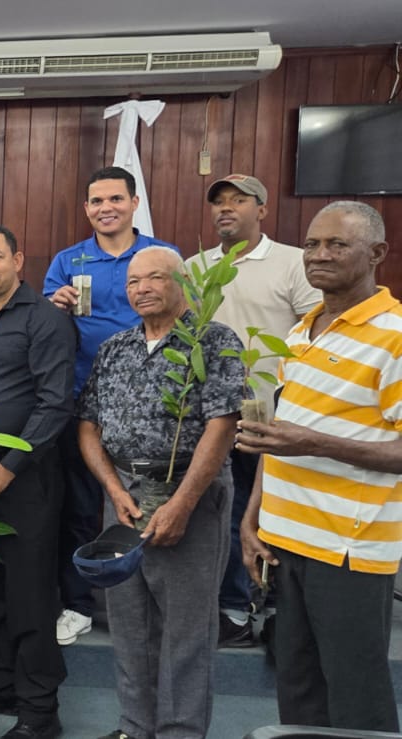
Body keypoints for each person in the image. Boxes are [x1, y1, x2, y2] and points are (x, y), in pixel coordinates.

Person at [240, 201, 401, 731]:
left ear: (377, 253)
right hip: (286, 539)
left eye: (337, 245)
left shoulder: (395, 336)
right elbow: (281, 436)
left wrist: (314, 441)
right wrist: (254, 516)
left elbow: (302, 437)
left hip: (348, 548)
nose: (319, 255)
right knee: (298, 687)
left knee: (355, 694)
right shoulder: (299, 333)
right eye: (311, 244)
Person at [77, 247, 244, 739]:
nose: (142, 288)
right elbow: (88, 425)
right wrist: (112, 487)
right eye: (133, 281)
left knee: (186, 630)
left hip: (190, 494)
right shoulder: (115, 348)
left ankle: (179, 732)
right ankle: (135, 726)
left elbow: (222, 424)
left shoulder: (213, 341)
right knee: (128, 623)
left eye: (154, 278)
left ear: (184, 284)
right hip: (124, 494)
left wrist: (183, 503)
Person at [42, 166, 180, 647]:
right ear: (86, 209)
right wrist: (54, 303)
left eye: (115, 199)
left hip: (155, 406)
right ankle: (78, 604)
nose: (106, 208)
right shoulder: (68, 260)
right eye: (97, 201)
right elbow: (44, 327)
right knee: (81, 506)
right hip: (83, 399)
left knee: (151, 506)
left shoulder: (161, 256)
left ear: (134, 202)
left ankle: (150, 601)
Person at [0, 224, 76, 739]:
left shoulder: (45, 320)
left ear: (18, 261)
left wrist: (7, 467)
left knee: (28, 595)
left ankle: (39, 711)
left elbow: (54, 404)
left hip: (25, 481)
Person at [185, 174, 320, 648]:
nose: (227, 209)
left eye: (239, 201)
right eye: (219, 202)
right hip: (211, 419)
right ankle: (234, 611)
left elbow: (317, 332)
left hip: (277, 414)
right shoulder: (196, 267)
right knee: (225, 509)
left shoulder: (292, 262)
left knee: (275, 510)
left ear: (262, 209)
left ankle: (285, 615)